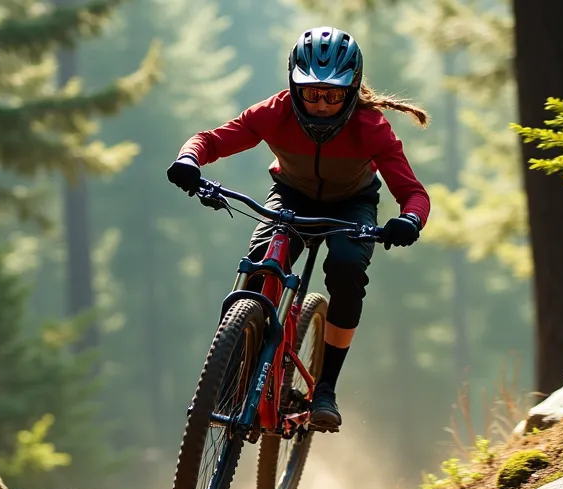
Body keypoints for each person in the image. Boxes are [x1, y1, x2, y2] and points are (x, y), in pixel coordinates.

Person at [166, 26, 431, 433]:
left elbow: (413, 193)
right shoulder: (276, 113)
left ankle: (325, 388)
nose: (322, 104)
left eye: (333, 95)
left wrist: (409, 221)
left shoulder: (370, 127)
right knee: (259, 267)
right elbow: (211, 140)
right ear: (294, 85)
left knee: (345, 269)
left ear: (352, 90)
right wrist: (189, 160)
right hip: (291, 195)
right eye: (311, 93)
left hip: (352, 205)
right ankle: (236, 370)